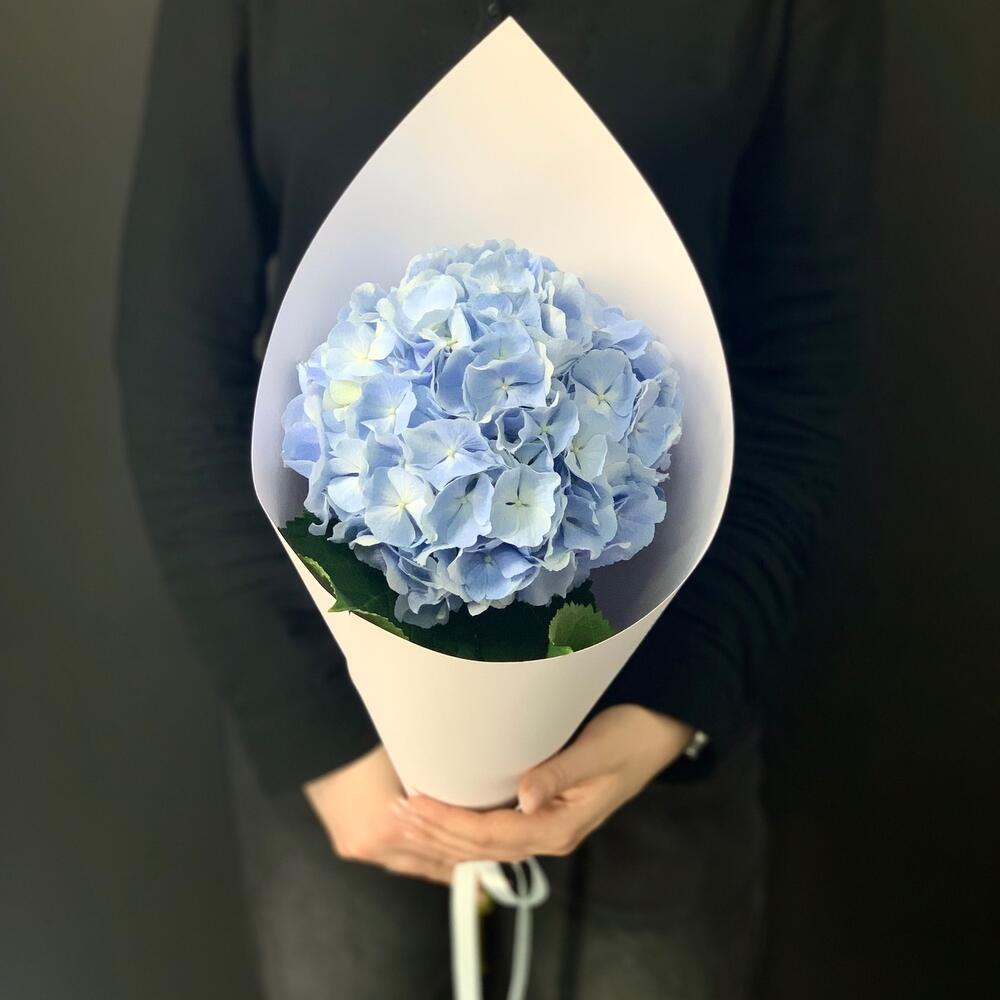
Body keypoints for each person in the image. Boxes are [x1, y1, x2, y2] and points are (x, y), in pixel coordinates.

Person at [113, 2, 881, 997]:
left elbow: (806, 347)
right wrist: (309, 727)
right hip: (346, 733)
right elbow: (170, 346)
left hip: (663, 719)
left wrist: (677, 703)